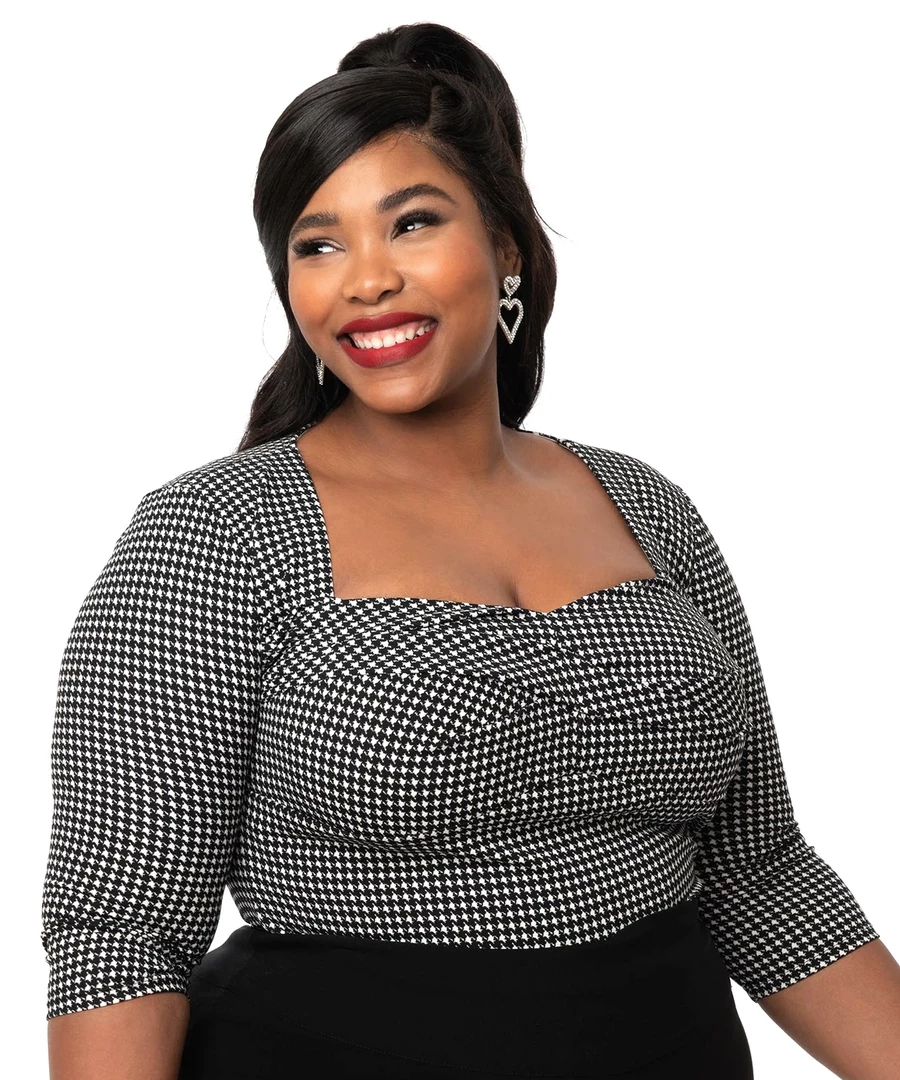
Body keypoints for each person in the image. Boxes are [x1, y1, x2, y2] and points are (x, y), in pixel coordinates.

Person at [42, 21, 899, 1080]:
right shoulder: (219, 534)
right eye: (318, 245)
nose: (366, 280)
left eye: (412, 223)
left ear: (506, 245)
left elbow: (763, 876)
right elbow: (121, 934)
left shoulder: (646, 507)